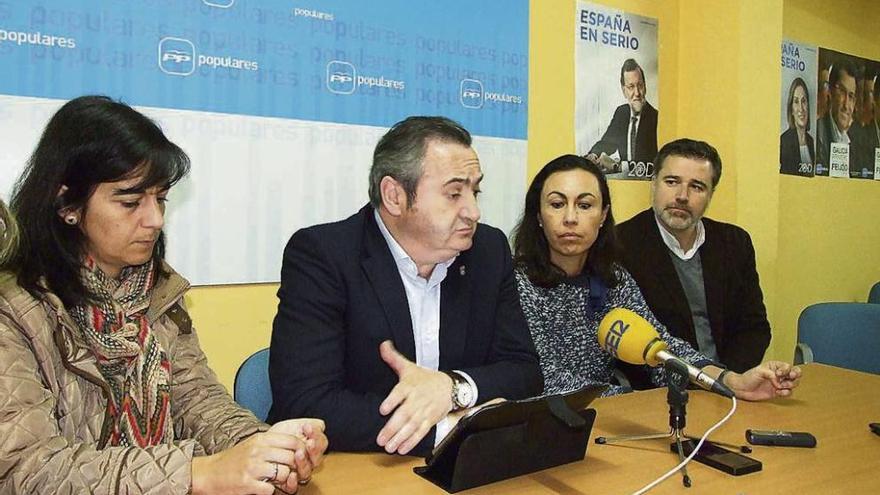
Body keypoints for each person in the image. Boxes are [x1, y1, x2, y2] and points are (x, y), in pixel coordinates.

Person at [0, 95, 327, 494]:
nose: (154, 219)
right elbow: (27, 469)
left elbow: (197, 399)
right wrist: (196, 474)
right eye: (130, 201)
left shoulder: (155, 292)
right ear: (67, 203)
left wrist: (261, 449)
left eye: (161, 198)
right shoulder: (12, 309)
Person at [268, 116, 542, 457]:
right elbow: (305, 401)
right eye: (454, 193)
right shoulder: (323, 255)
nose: (473, 211)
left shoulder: (488, 250)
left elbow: (524, 371)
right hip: (351, 470)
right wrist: (451, 429)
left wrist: (453, 388)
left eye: (475, 191)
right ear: (395, 196)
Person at [512, 154, 800, 400]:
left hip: (606, 418)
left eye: (585, 205)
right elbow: (541, 376)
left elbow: (660, 347)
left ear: (603, 216)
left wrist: (729, 381)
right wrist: (629, 400)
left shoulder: (615, 279)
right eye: (557, 204)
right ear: (538, 214)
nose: (571, 218)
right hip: (548, 422)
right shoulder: (517, 283)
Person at [617, 139, 771, 378]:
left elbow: (754, 328)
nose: (682, 196)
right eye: (671, 182)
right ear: (653, 183)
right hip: (659, 389)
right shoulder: (620, 245)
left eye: (697, 187)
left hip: (729, 382)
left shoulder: (734, 243)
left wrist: (727, 379)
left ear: (711, 194)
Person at [586, 58, 659, 172]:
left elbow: (650, 165)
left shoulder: (656, 118)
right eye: (631, 87)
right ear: (624, 90)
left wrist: (617, 167)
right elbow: (607, 142)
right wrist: (594, 155)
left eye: (640, 85)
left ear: (645, 86)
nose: (637, 93)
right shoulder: (621, 113)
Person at [816, 59, 857, 175]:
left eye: (851, 96)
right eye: (842, 92)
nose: (846, 105)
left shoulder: (857, 141)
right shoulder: (816, 133)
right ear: (830, 92)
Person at [780, 77, 815, 175]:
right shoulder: (784, 141)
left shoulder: (811, 141)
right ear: (791, 109)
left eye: (803, 101)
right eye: (796, 102)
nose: (801, 108)